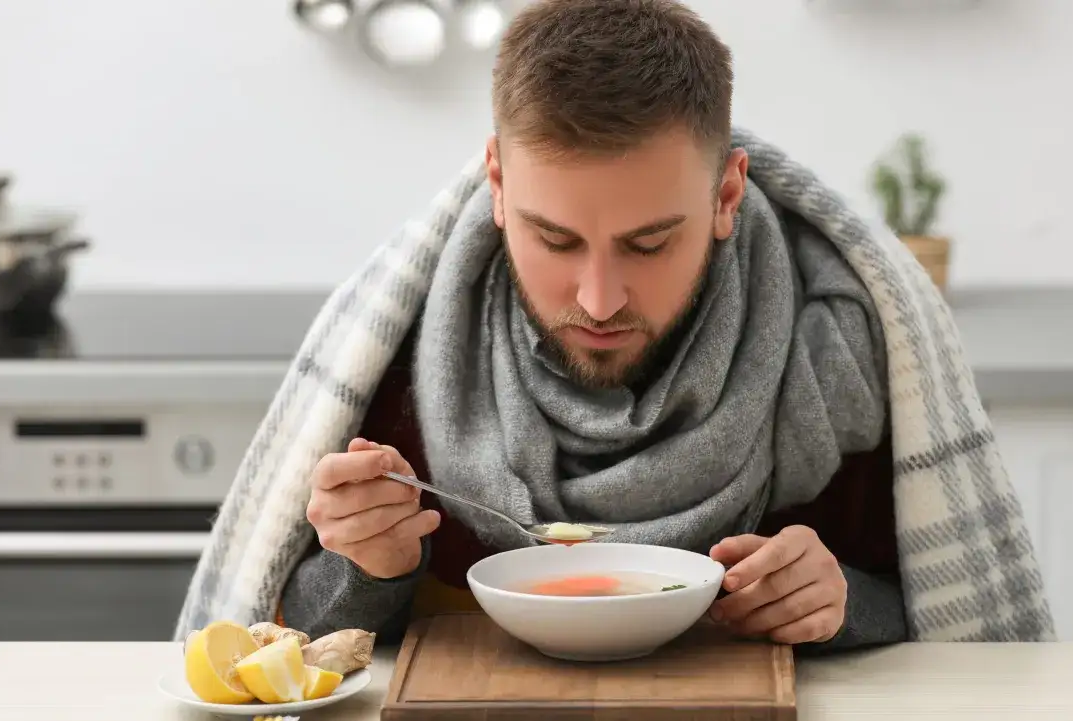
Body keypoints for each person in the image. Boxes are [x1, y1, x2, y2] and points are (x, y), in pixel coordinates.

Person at [276, 0, 910, 652]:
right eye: (555, 240)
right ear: (498, 185)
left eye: (648, 244)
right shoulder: (397, 355)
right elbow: (291, 633)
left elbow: (938, 601)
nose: (600, 301)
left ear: (726, 196)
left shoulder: (834, 353)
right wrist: (368, 569)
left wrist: (841, 601)